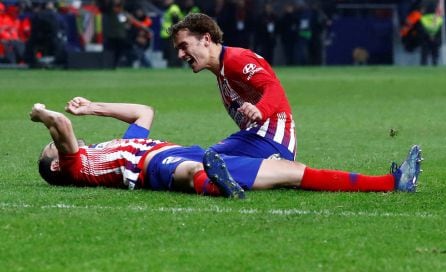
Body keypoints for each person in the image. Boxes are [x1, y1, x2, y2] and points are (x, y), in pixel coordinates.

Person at [30, 97, 423, 199]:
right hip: (154, 165)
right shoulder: (78, 166)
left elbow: (143, 111)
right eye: (54, 149)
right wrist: (41, 114)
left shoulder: (115, 146)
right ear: (57, 167)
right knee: (185, 172)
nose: (59, 144)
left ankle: (391, 183)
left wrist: (95, 107)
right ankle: (215, 185)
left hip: (187, 152)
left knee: (291, 172)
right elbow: (62, 126)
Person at [169, 13, 296, 161]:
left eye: (184, 46)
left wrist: (260, 109)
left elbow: (273, 87)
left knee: (205, 161)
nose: (180, 55)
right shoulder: (222, 71)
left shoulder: (235, 60)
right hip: (260, 138)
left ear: (206, 39)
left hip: (272, 138)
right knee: (201, 161)